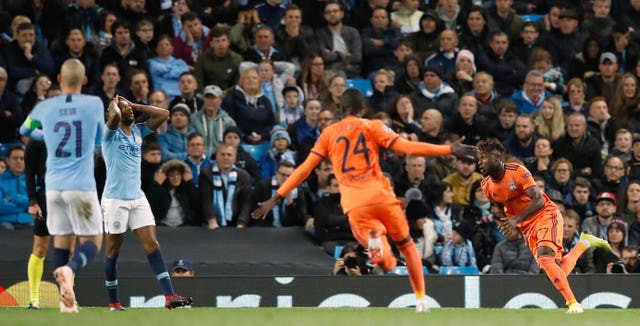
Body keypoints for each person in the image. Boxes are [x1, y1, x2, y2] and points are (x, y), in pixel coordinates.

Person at [252, 88, 477, 312]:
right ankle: (420, 300)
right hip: (380, 195)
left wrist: (277, 196)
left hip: (355, 202)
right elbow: (406, 147)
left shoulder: (328, 134)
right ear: (363, 109)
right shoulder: (372, 126)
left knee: (384, 261)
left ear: (340, 109)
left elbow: (304, 169)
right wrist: (449, 148)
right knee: (407, 247)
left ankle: (376, 244)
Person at [476, 137, 612, 314]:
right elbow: (504, 206)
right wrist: (510, 223)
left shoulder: (517, 171)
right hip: (527, 226)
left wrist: (515, 220)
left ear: (498, 157)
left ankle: (573, 304)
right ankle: (583, 244)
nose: (480, 162)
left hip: (546, 215)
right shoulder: (486, 186)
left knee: (546, 259)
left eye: (484, 157)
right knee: (554, 270)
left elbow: (538, 199)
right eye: (479, 158)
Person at [19, 59, 105, 313]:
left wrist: (47, 135)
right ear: (85, 80)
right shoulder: (94, 104)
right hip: (81, 185)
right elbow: (100, 138)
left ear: (59, 78)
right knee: (92, 241)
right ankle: (69, 269)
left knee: (61, 241)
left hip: (52, 187)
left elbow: (24, 129)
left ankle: (64, 303)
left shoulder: (45, 107)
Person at [101, 95, 192, 310]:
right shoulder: (110, 136)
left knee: (152, 245)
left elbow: (164, 114)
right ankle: (114, 302)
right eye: (125, 108)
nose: (130, 111)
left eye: (131, 108)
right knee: (113, 250)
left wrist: (134, 105)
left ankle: (170, 297)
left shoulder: (139, 132)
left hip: (137, 198)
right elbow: (113, 117)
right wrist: (115, 106)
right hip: (115, 200)